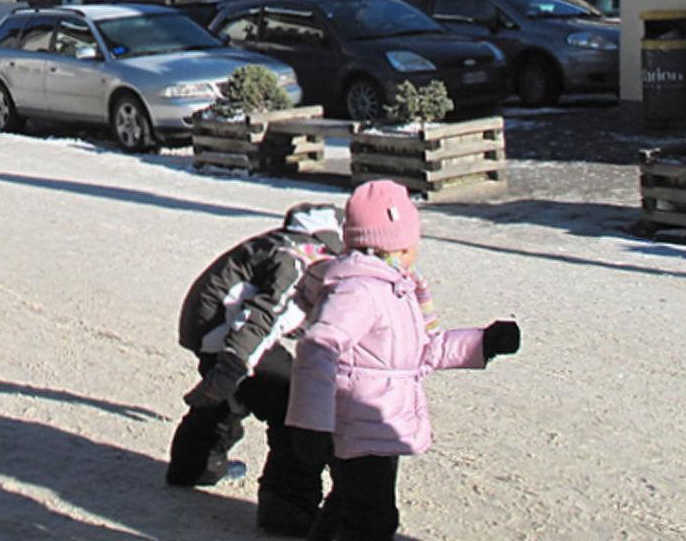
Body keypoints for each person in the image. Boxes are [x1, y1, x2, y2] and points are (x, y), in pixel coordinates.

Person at [285, 180, 520, 541]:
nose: (416, 252)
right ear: (394, 245)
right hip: (358, 423)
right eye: (413, 244)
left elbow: (419, 353)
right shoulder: (360, 290)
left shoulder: (393, 286)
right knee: (371, 519)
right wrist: (310, 424)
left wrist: (483, 343)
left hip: (376, 423)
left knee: (349, 505)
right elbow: (319, 347)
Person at [169, 204, 343, 535]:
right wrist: (231, 366)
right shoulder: (297, 261)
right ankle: (286, 508)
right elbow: (264, 315)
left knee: (231, 397)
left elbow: (280, 309)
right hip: (230, 337)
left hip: (210, 327)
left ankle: (192, 467)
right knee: (290, 402)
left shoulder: (284, 245)